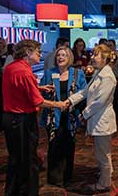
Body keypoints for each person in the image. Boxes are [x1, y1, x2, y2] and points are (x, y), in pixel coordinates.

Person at [2, 39, 65, 196]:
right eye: (38, 52)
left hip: (10, 119)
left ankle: (12, 191)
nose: (40, 54)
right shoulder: (25, 72)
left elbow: (19, 86)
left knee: (15, 158)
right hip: (22, 121)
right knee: (29, 160)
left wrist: (38, 87)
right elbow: (38, 101)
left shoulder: (11, 67)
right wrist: (59, 104)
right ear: (28, 53)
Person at [65, 44, 117, 194]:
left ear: (105, 58)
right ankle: (107, 173)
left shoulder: (107, 77)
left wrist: (84, 114)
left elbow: (100, 102)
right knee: (102, 151)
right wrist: (70, 100)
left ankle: (104, 184)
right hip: (98, 118)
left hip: (102, 119)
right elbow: (85, 92)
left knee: (103, 153)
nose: (92, 57)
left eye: (95, 55)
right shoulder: (99, 73)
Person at [40, 46, 87, 187]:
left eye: (63, 55)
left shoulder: (77, 74)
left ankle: (67, 177)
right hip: (53, 116)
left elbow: (84, 93)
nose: (60, 57)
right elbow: (40, 94)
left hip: (71, 116)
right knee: (54, 146)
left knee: (69, 146)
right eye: (58, 55)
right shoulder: (49, 73)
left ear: (69, 58)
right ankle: (55, 177)